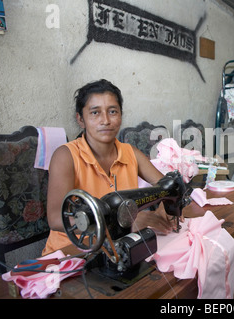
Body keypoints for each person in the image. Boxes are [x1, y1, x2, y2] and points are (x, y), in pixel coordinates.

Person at [43, 79, 178, 255]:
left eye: (112, 111)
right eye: (95, 112)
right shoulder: (66, 156)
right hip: (71, 253)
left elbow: (166, 186)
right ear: (80, 119)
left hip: (117, 246)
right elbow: (55, 219)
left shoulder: (131, 153)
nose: (105, 120)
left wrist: (166, 206)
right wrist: (126, 221)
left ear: (121, 115)